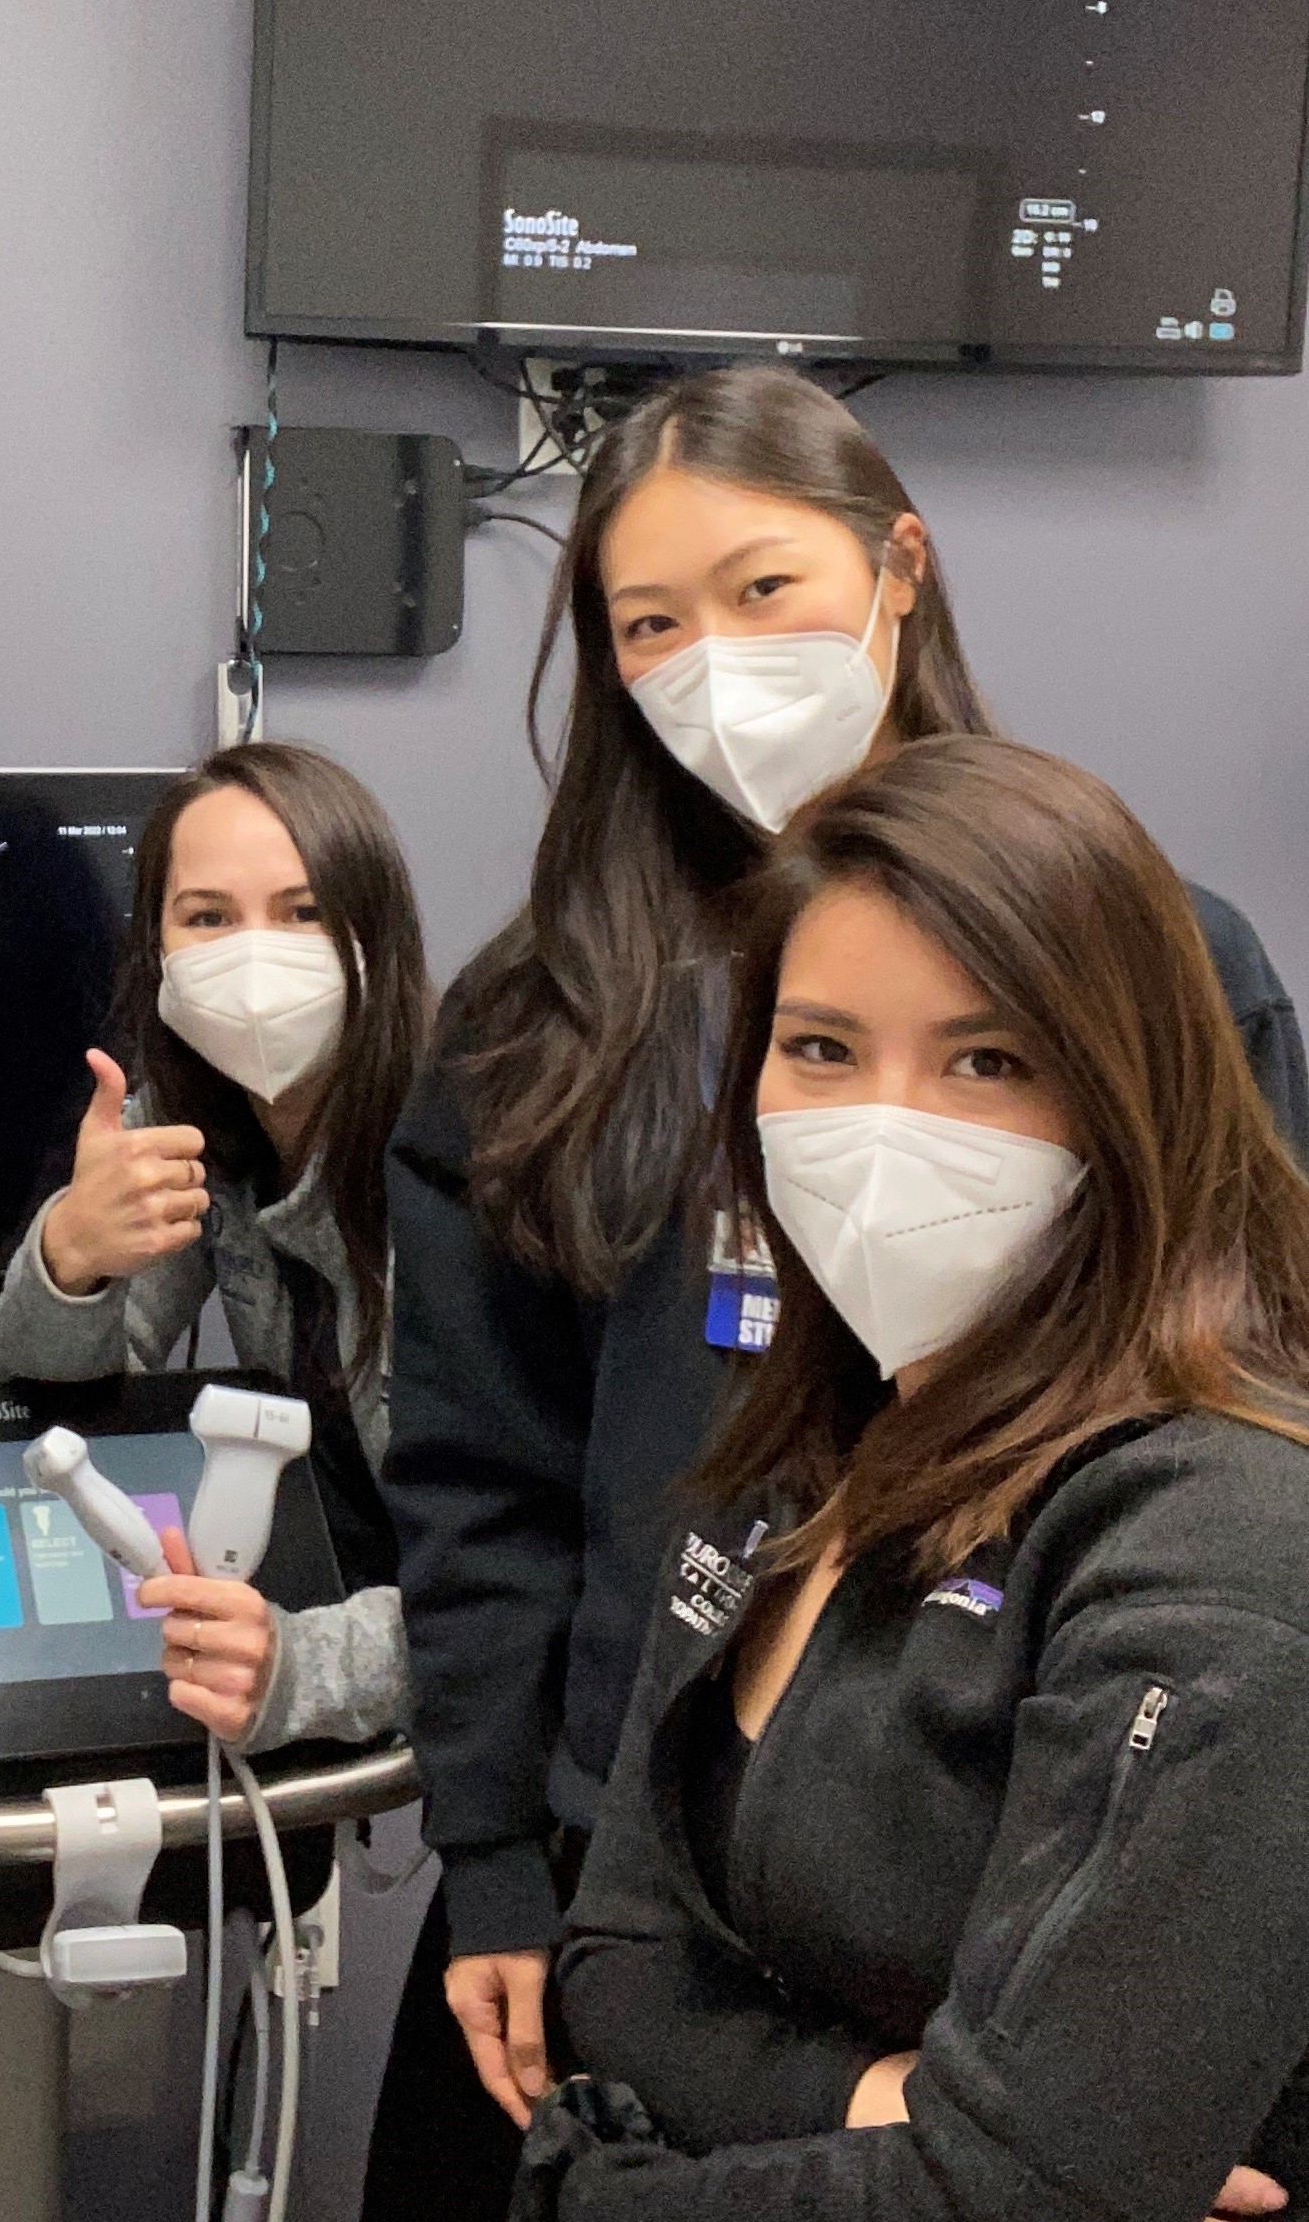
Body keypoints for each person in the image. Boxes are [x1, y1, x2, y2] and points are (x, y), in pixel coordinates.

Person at [382, 365, 1308, 2164]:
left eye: (762, 589)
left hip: (1023, 1844)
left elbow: (1248, 1399)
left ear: (900, 566)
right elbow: (475, 1477)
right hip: (640, 1826)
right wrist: (493, 1855)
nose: (712, 661)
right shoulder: (538, 1021)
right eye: (648, 623)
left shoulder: (1169, 966)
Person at [523, 736, 1309, 2219]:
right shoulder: (794, 1444)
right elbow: (621, 1964)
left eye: (987, 1060)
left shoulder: (1222, 1547)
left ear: (1129, 1091)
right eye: (821, 1048)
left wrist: (587, 2189)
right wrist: (871, 2101)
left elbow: (1005, 2198)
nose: (887, 1128)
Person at [0, 743, 498, 2215]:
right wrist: (73, 1247)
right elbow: (54, 1371)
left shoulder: (469, 1161)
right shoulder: (203, 1125)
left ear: (375, 930)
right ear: (157, 945)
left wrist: (309, 1670)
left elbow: (554, 1570)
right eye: (207, 916)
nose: (252, 954)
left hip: (596, 1796)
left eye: (299, 907)